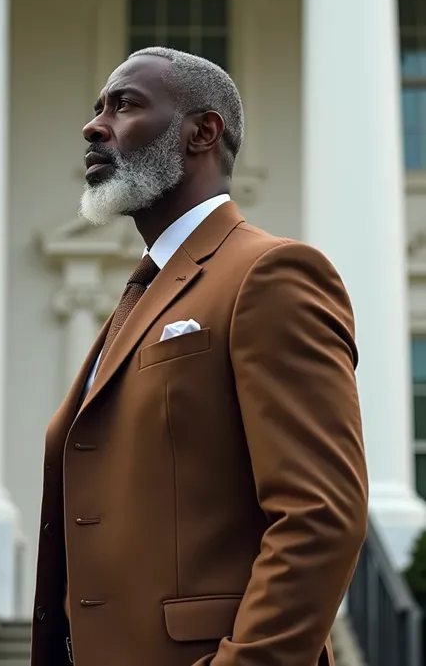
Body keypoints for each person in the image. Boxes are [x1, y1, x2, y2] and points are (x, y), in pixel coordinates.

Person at [31, 47, 368, 666]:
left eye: (124, 104)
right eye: (97, 106)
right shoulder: (144, 293)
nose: (94, 125)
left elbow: (319, 516)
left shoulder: (271, 273)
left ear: (202, 132)